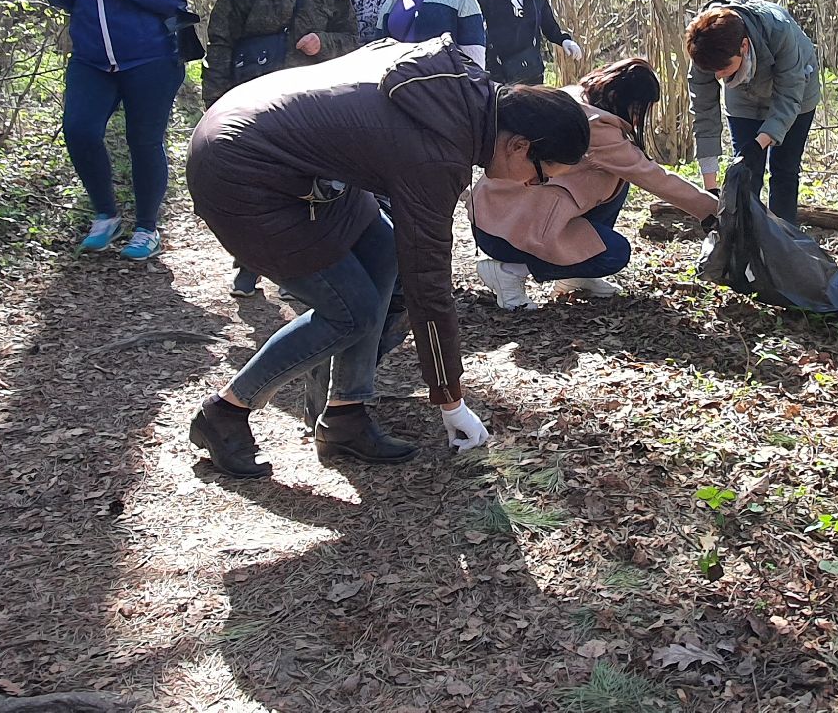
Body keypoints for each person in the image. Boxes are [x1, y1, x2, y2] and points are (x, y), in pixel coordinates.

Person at [183, 39, 589, 478]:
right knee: (350, 313)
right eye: (542, 175)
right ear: (519, 145)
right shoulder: (438, 152)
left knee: (385, 251)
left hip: (295, 157)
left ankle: (344, 415)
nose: (534, 185)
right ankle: (224, 411)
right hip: (238, 167)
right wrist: (451, 401)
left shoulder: (466, 90)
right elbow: (429, 286)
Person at [200, 0, 359, 297]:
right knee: (252, 185)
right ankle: (248, 263)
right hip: (249, 103)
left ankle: (300, 268)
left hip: (308, 109)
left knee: (305, 184)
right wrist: (215, 101)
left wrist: (321, 43)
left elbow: (353, 43)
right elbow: (221, 41)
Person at [469, 58, 718, 309]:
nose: (639, 117)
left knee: (618, 180)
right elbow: (654, 177)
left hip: (495, 219)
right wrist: (716, 210)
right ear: (625, 100)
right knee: (614, 254)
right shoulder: (596, 126)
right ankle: (509, 272)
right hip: (503, 233)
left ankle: (577, 275)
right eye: (640, 108)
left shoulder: (575, 100)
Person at [44, 0, 192, 260]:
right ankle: (105, 215)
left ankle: (146, 227)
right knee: (79, 129)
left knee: (143, 141)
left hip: (150, 59)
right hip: (92, 60)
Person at [686, 0, 822, 223]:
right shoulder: (705, 47)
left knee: (784, 170)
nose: (718, 76)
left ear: (744, 46)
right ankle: (746, 238)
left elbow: (789, 98)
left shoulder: (780, 30)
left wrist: (758, 145)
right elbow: (704, 114)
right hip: (744, 98)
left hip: (797, 93)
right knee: (746, 174)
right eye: (713, 72)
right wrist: (711, 192)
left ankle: (782, 238)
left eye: (723, 69)